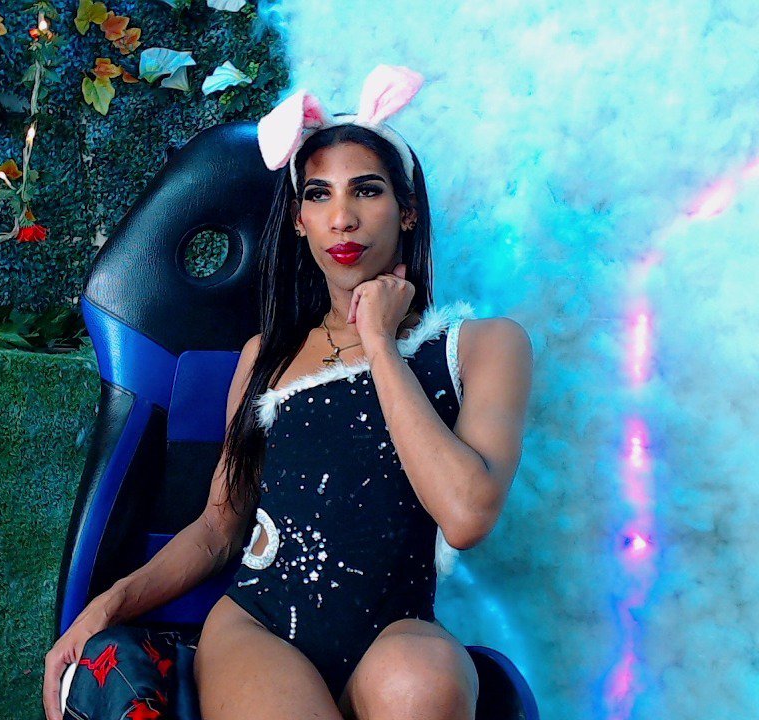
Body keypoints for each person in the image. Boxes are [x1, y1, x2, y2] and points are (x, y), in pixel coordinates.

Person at [44, 64, 533, 720]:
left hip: (398, 632)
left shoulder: (482, 345)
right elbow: (219, 527)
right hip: (261, 626)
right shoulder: (264, 358)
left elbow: (466, 517)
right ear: (299, 221)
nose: (342, 219)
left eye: (367, 191)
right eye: (318, 196)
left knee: (426, 688)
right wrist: (105, 606)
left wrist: (380, 343)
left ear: (408, 210)